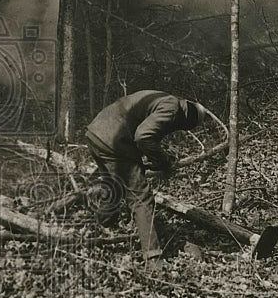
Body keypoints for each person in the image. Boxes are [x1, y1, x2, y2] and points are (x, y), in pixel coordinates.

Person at [84, 90, 208, 266]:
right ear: (187, 117)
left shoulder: (161, 98)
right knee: (141, 198)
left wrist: (155, 159)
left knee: (113, 185)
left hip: (96, 133)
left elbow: (138, 127)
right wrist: (163, 162)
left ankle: (102, 226)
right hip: (114, 141)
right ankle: (153, 258)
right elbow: (143, 136)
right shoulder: (172, 107)